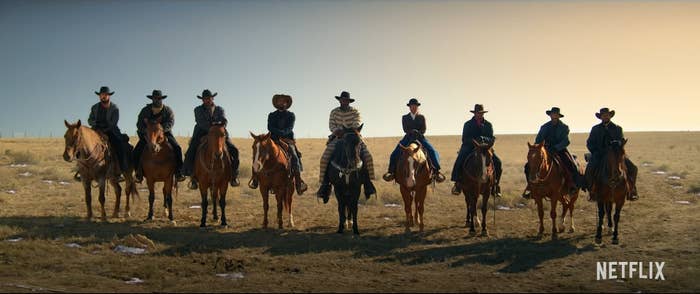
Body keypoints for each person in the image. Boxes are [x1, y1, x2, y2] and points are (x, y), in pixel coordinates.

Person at [316, 91, 376, 203]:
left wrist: (348, 131)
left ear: (349, 101)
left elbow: (357, 123)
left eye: (346, 100)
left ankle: (368, 183)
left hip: (353, 137)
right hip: (338, 137)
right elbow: (331, 125)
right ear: (339, 100)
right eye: (342, 100)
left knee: (367, 156)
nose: (344, 101)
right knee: (324, 158)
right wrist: (337, 131)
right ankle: (325, 185)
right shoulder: (334, 112)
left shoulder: (355, 111)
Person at [248, 94, 308, 195]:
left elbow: (289, 128)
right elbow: (269, 127)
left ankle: (298, 182)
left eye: (283, 101)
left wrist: (280, 133)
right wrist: (278, 133)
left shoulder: (291, 115)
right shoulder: (272, 115)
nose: (281, 103)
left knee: (294, 156)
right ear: (276, 103)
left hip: (287, 140)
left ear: (287, 103)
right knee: (259, 153)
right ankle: (255, 179)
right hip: (273, 140)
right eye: (279, 101)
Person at [522, 107, 585, 199]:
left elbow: (566, 141)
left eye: (556, 114)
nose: (554, 116)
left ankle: (572, 185)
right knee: (528, 166)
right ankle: (531, 187)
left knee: (572, 164)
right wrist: (540, 147)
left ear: (559, 116)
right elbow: (538, 139)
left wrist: (556, 147)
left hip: (560, 150)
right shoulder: (544, 127)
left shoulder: (564, 127)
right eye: (553, 114)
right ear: (550, 115)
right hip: (545, 150)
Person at [182, 89, 240, 189]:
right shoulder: (198, 109)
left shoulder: (220, 109)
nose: (207, 100)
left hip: (219, 133)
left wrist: (219, 126)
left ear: (212, 98)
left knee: (234, 150)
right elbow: (200, 122)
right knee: (191, 150)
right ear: (202, 100)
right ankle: (192, 176)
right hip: (201, 132)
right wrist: (213, 126)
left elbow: (224, 120)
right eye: (205, 99)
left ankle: (233, 175)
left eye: (209, 98)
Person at [382, 98, 444, 182]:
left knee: (432, 151)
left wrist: (418, 132)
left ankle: (436, 172)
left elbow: (424, 129)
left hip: (420, 137)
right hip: (408, 137)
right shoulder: (405, 117)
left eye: (415, 106)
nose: (413, 107)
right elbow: (405, 129)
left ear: (417, 107)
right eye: (412, 106)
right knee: (395, 152)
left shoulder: (422, 117)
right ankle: (391, 172)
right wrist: (411, 132)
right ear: (409, 107)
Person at [585, 107, 638, 201]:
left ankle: (632, 191)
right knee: (589, 168)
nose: (605, 116)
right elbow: (589, 143)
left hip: (616, 154)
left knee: (633, 168)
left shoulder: (617, 128)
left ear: (610, 116)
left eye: (607, 115)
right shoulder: (595, 129)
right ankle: (592, 191)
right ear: (600, 117)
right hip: (600, 154)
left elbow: (621, 140)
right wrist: (595, 151)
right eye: (603, 115)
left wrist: (618, 144)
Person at [132, 90, 186, 183]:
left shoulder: (167, 110)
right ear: (152, 99)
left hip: (164, 133)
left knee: (177, 148)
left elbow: (171, 122)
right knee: (137, 150)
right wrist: (146, 130)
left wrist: (161, 130)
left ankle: (178, 172)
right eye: (155, 98)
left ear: (161, 99)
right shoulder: (145, 110)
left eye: (158, 98)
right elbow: (139, 123)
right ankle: (138, 172)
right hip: (148, 134)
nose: (156, 100)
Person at [78, 86, 129, 181]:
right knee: (82, 143)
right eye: (101, 95)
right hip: (96, 130)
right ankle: (80, 170)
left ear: (109, 96)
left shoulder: (114, 108)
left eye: (105, 95)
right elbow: (90, 120)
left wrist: (105, 129)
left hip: (110, 130)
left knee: (119, 145)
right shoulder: (94, 107)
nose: (103, 97)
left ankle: (120, 171)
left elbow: (114, 123)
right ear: (99, 96)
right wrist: (96, 125)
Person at [450, 104, 502, 196]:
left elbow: (490, 137)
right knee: (460, 158)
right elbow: (464, 139)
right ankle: (457, 183)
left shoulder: (488, 125)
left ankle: (495, 186)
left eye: (481, 113)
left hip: (485, 148)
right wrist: (475, 141)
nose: (479, 114)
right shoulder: (468, 124)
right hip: (470, 146)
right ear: (474, 113)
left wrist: (482, 139)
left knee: (498, 162)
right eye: (478, 113)